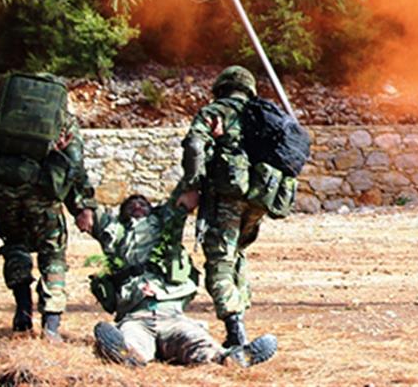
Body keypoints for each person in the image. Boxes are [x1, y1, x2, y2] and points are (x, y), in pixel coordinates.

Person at [0, 72, 96, 339]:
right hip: (43, 195)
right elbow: (75, 165)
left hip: (2, 193)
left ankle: (23, 310)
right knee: (53, 254)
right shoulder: (63, 122)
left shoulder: (1, 115)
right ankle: (51, 326)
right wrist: (83, 207)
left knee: (15, 246)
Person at [89, 191, 277, 368]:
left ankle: (230, 359)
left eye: (143, 203)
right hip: (135, 317)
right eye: (131, 204)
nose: (137, 205)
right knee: (131, 343)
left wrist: (194, 165)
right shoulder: (114, 233)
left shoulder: (165, 225)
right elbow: (86, 205)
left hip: (172, 316)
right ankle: (125, 354)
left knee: (197, 341)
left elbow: (184, 193)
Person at [179, 65, 266, 347]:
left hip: (227, 196)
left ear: (221, 87)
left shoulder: (217, 111)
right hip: (259, 198)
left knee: (220, 260)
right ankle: (239, 315)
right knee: (236, 253)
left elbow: (194, 146)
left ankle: (235, 329)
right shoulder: (261, 114)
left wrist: (192, 184)